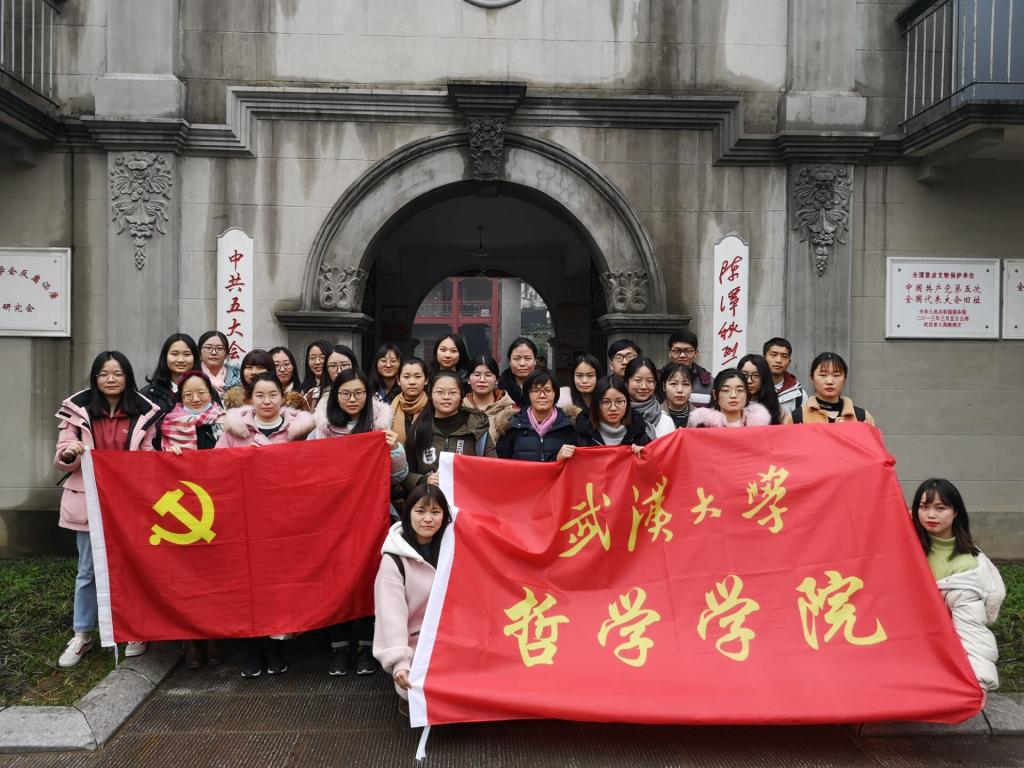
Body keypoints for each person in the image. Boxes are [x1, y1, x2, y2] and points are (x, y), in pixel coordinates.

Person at [55, 352, 161, 667]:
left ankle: (135, 630)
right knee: (87, 570)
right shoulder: (77, 410)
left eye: (117, 373)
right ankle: (83, 633)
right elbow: (62, 454)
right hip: (89, 500)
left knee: (132, 567)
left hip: (129, 502)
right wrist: (70, 453)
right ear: (95, 378)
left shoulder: (143, 412)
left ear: (127, 377)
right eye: (103, 374)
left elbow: (148, 453)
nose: (110, 379)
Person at [308, 369, 409, 677]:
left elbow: (400, 476)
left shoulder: (380, 428)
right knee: (336, 581)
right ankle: (338, 648)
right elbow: (306, 470)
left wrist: (395, 450)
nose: (352, 399)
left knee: (370, 578)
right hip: (331, 519)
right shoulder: (321, 431)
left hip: (371, 518)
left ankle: (367, 646)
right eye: (345, 394)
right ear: (335, 396)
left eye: (359, 393)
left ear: (368, 396)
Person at [216, 373, 316, 677]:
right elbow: (215, 467)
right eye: (260, 395)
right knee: (249, 585)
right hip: (246, 520)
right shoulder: (234, 430)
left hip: (287, 520)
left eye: (273, 395)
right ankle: (254, 647)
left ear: (283, 397)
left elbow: (314, 465)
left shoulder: (300, 430)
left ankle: (278, 647)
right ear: (250, 398)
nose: (267, 401)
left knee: (280, 586)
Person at [911, 478, 1005, 692]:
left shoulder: (965, 565)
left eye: (940, 508)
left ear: (955, 512)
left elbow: (971, 630)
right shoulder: (906, 542)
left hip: (936, 651)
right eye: (924, 507)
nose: (931, 515)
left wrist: (979, 682)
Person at [159, 369, 226, 668]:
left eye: (201, 393)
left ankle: (213, 636)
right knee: (186, 576)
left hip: (220, 506)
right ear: (180, 397)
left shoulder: (226, 422)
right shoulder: (167, 426)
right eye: (189, 394)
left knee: (215, 575)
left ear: (211, 393)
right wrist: (168, 456)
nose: (196, 399)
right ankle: (190, 639)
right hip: (185, 508)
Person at [373, 484, 452, 716]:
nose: (427, 519)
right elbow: (391, 616)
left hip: (454, 636)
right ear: (408, 513)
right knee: (417, 692)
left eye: (435, 512)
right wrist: (400, 662)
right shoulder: (394, 559)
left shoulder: (454, 548)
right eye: (420, 511)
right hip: (416, 640)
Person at [405, 370, 497, 487]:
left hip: (466, 495)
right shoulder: (418, 429)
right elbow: (404, 473)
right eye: (440, 392)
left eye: (453, 392)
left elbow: (493, 468)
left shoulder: (476, 427)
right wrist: (423, 480)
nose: (446, 397)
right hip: (430, 496)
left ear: (461, 395)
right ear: (430, 394)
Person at [496, 370, 577, 462]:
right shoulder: (512, 425)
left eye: (547, 390)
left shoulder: (569, 425)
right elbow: (503, 465)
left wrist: (558, 460)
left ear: (555, 393)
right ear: (529, 394)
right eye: (536, 390)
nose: (542, 395)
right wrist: (555, 460)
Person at [792, 352, 875, 425]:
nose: (830, 381)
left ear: (844, 379)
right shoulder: (797, 417)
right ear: (812, 379)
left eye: (836, 375)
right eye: (823, 375)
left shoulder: (862, 417)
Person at [574, 375, 649, 450]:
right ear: (596, 404)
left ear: (627, 403)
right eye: (606, 402)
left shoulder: (640, 437)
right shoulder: (581, 439)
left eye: (619, 401)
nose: (613, 408)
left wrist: (645, 453)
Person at [688, 368, 772, 428]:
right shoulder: (702, 424)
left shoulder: (759, 425)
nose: (733, 395)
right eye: (726, 390)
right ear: (715, 394)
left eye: (739, 390)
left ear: (746, 394)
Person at [142, 332, 200, 417]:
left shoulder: (208, 391)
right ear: (165, 357)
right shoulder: (149, 393)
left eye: (187, 354)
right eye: (174, 354)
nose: (180, 360)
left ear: (195, 358)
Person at [463, 354, 517, 445]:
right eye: (477, 375)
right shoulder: (459, 409)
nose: (482, 380)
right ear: (468, 379)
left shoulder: (511, 410)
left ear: (497, 380)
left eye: (488, 375)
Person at [625, 357, 674, 440]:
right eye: (638, 380)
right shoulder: (617, 417)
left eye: (650, 381)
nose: (644, 386)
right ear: (626, 383)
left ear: (655, 384)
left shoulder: (665, 421)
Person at [661, 330, 712, 407]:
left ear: (696, 353)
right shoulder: (658, 378)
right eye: (677, 351)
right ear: (669, 353)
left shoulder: (708, 381)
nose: (682, 355)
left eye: (688, 351)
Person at [738, 354, 793, 425]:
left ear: (764, 378)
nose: (749, 381)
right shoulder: (731, 405)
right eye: (744, 375)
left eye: (756, 375)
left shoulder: (776, 409)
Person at [763, 337, 807, 414]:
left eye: (784, 356)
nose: (778, 360)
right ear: (763, 358)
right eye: (773, 355)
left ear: (789, 362)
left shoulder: (799, 394)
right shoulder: (753, 388)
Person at [556, 353, 601, 421]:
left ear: (598, 377)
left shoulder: (607, 400)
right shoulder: (562, 400)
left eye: (590, 375)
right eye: (579, 375)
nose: (584, 381)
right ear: (573, 377)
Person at [497, 337, 538, 409]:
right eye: (517, 358)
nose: (522, 363)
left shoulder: (546, 385)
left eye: (527, 358)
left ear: (535, 361)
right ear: (510, 361)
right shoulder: (499, 389)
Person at [198, 330, 240, 397]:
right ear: (200, 351)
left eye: (219, 348)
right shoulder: (191, 376)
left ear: (226, 353)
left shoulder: (237, 377)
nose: (214, 352)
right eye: (208, 348)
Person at [270, 346, 309, 412]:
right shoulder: (263, 395)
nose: (282, 369)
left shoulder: (304, 393)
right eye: (276, 365)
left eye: (286, 364)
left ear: (293, 366)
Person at [300, 340, 333, 410]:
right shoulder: (302, 388)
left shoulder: (335, 388)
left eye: (322, 357)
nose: (317, 362)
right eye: (312, 358)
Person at [660, 362, 693, 429]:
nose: (680, 390)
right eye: (673, 384)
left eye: (685, 384)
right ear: (664, 387)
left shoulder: (701, 418)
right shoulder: (655, 415)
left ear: (692, 387)